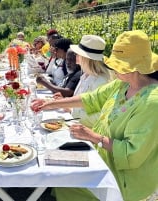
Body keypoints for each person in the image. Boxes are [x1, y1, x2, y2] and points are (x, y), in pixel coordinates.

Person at [31, 30, 158, 201]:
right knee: (56, 164)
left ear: (132, 67)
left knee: (65, 179)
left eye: (117, 64)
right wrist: (50, 104)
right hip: (100, 157)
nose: (112, 68)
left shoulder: (152, 103)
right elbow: (90, 99)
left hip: (123, 177)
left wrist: (93, 137)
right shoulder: (122, 84)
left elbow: (132, 153)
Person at [66, 34, 112, 128]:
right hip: (78, 127)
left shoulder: (101, 81)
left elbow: (99, 117)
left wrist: (71, 110)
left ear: (86, 58)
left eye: (78, 53)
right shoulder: (86, 75)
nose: (76, 56)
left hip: (89, 135)